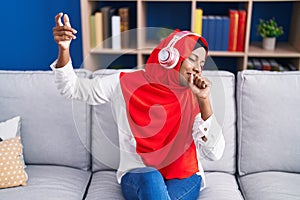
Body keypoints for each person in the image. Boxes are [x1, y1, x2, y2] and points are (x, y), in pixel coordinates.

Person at [51, 13, 225, 200]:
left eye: (202, 63)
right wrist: (64, 49)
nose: (198, 68)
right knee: (151, 177)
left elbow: (214, 153)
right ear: (171, 57)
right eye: (192, 59)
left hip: (184, 175)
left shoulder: (197, 95)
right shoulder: (123, 82)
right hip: (139, 175)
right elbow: (73, 89)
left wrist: (204, 100)